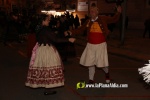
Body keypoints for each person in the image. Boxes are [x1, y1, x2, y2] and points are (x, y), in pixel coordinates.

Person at [66, 6, 122, 84]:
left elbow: (114, 19)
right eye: (90, 11)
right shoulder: (88, 21)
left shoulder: (103, 18)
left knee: (101, 63)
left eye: (93, 11)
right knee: (90, 63)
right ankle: (91, 80)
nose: (91, 13)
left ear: (97, 12)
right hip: (90, 45)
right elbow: (80, 29)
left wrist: (118, 13)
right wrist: (71, 32)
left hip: (101, 45)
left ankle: (107, 73)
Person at [25, 14, 76, 95]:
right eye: (47, 20)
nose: (49, 21)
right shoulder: (45, 29)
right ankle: (47, 88)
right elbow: (56, 39)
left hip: (40, 49)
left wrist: (63, 33)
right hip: (47, 50)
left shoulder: (39, 28)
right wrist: (68, 39)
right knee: (48, 68)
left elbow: (52, 36)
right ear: (43, 21)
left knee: (43, 68)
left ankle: (45, 86)